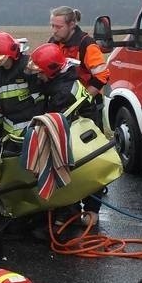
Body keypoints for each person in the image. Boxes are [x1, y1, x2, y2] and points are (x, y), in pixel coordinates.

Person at [28, 43, 99, 226]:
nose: (39, 76)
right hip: (76, 130)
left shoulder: (64, 92)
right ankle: (69, 210)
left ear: (51, 71)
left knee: (79, 171)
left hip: (80, 135)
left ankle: (74, 211)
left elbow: (55, 121)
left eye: (40, 73)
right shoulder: (60, 79)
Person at [48, 6, 110, 126]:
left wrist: (82, 101)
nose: (54, 30)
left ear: (71, 25)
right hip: (61, 105)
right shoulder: (53, 42)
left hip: (87, 109)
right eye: (52, 26)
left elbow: (102, 76)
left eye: (59, 27)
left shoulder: (87, 44)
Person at [0, 31, 42, 145]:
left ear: (12, 54)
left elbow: (40, 100)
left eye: (2, 59)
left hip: (30, 127)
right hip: (8, 127)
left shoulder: (27, 68)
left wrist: (33, 123)